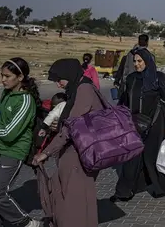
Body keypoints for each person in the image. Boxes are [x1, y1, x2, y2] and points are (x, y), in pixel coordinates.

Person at [32, 58, 104, 227]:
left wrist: (46, 152)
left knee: (75, 202)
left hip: (80, 154)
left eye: (59, 80)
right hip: (74, 152)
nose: (58, 85)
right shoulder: (78, 88)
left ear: (69, 75)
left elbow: (72, 127)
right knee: (70, 199)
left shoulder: (84, 89)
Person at [111, 48, 165, 202]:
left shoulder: (159, 78)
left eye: (139, 61)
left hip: (155, 123)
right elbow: (125, 99)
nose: (136, 64)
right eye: (134, 61)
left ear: (147, 61)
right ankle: (124, 192)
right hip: (135, 123)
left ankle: (158, 187)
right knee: (132, 155)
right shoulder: (132, 78)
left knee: (149, 157)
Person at [0, 57, 42, 227]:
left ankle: (25, 222)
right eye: (2, 75)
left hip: (12, 152)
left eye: (7, 76)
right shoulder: (6, 93)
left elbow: (9, 133)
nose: (3, 80)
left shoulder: (25, 100)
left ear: (20, 77)